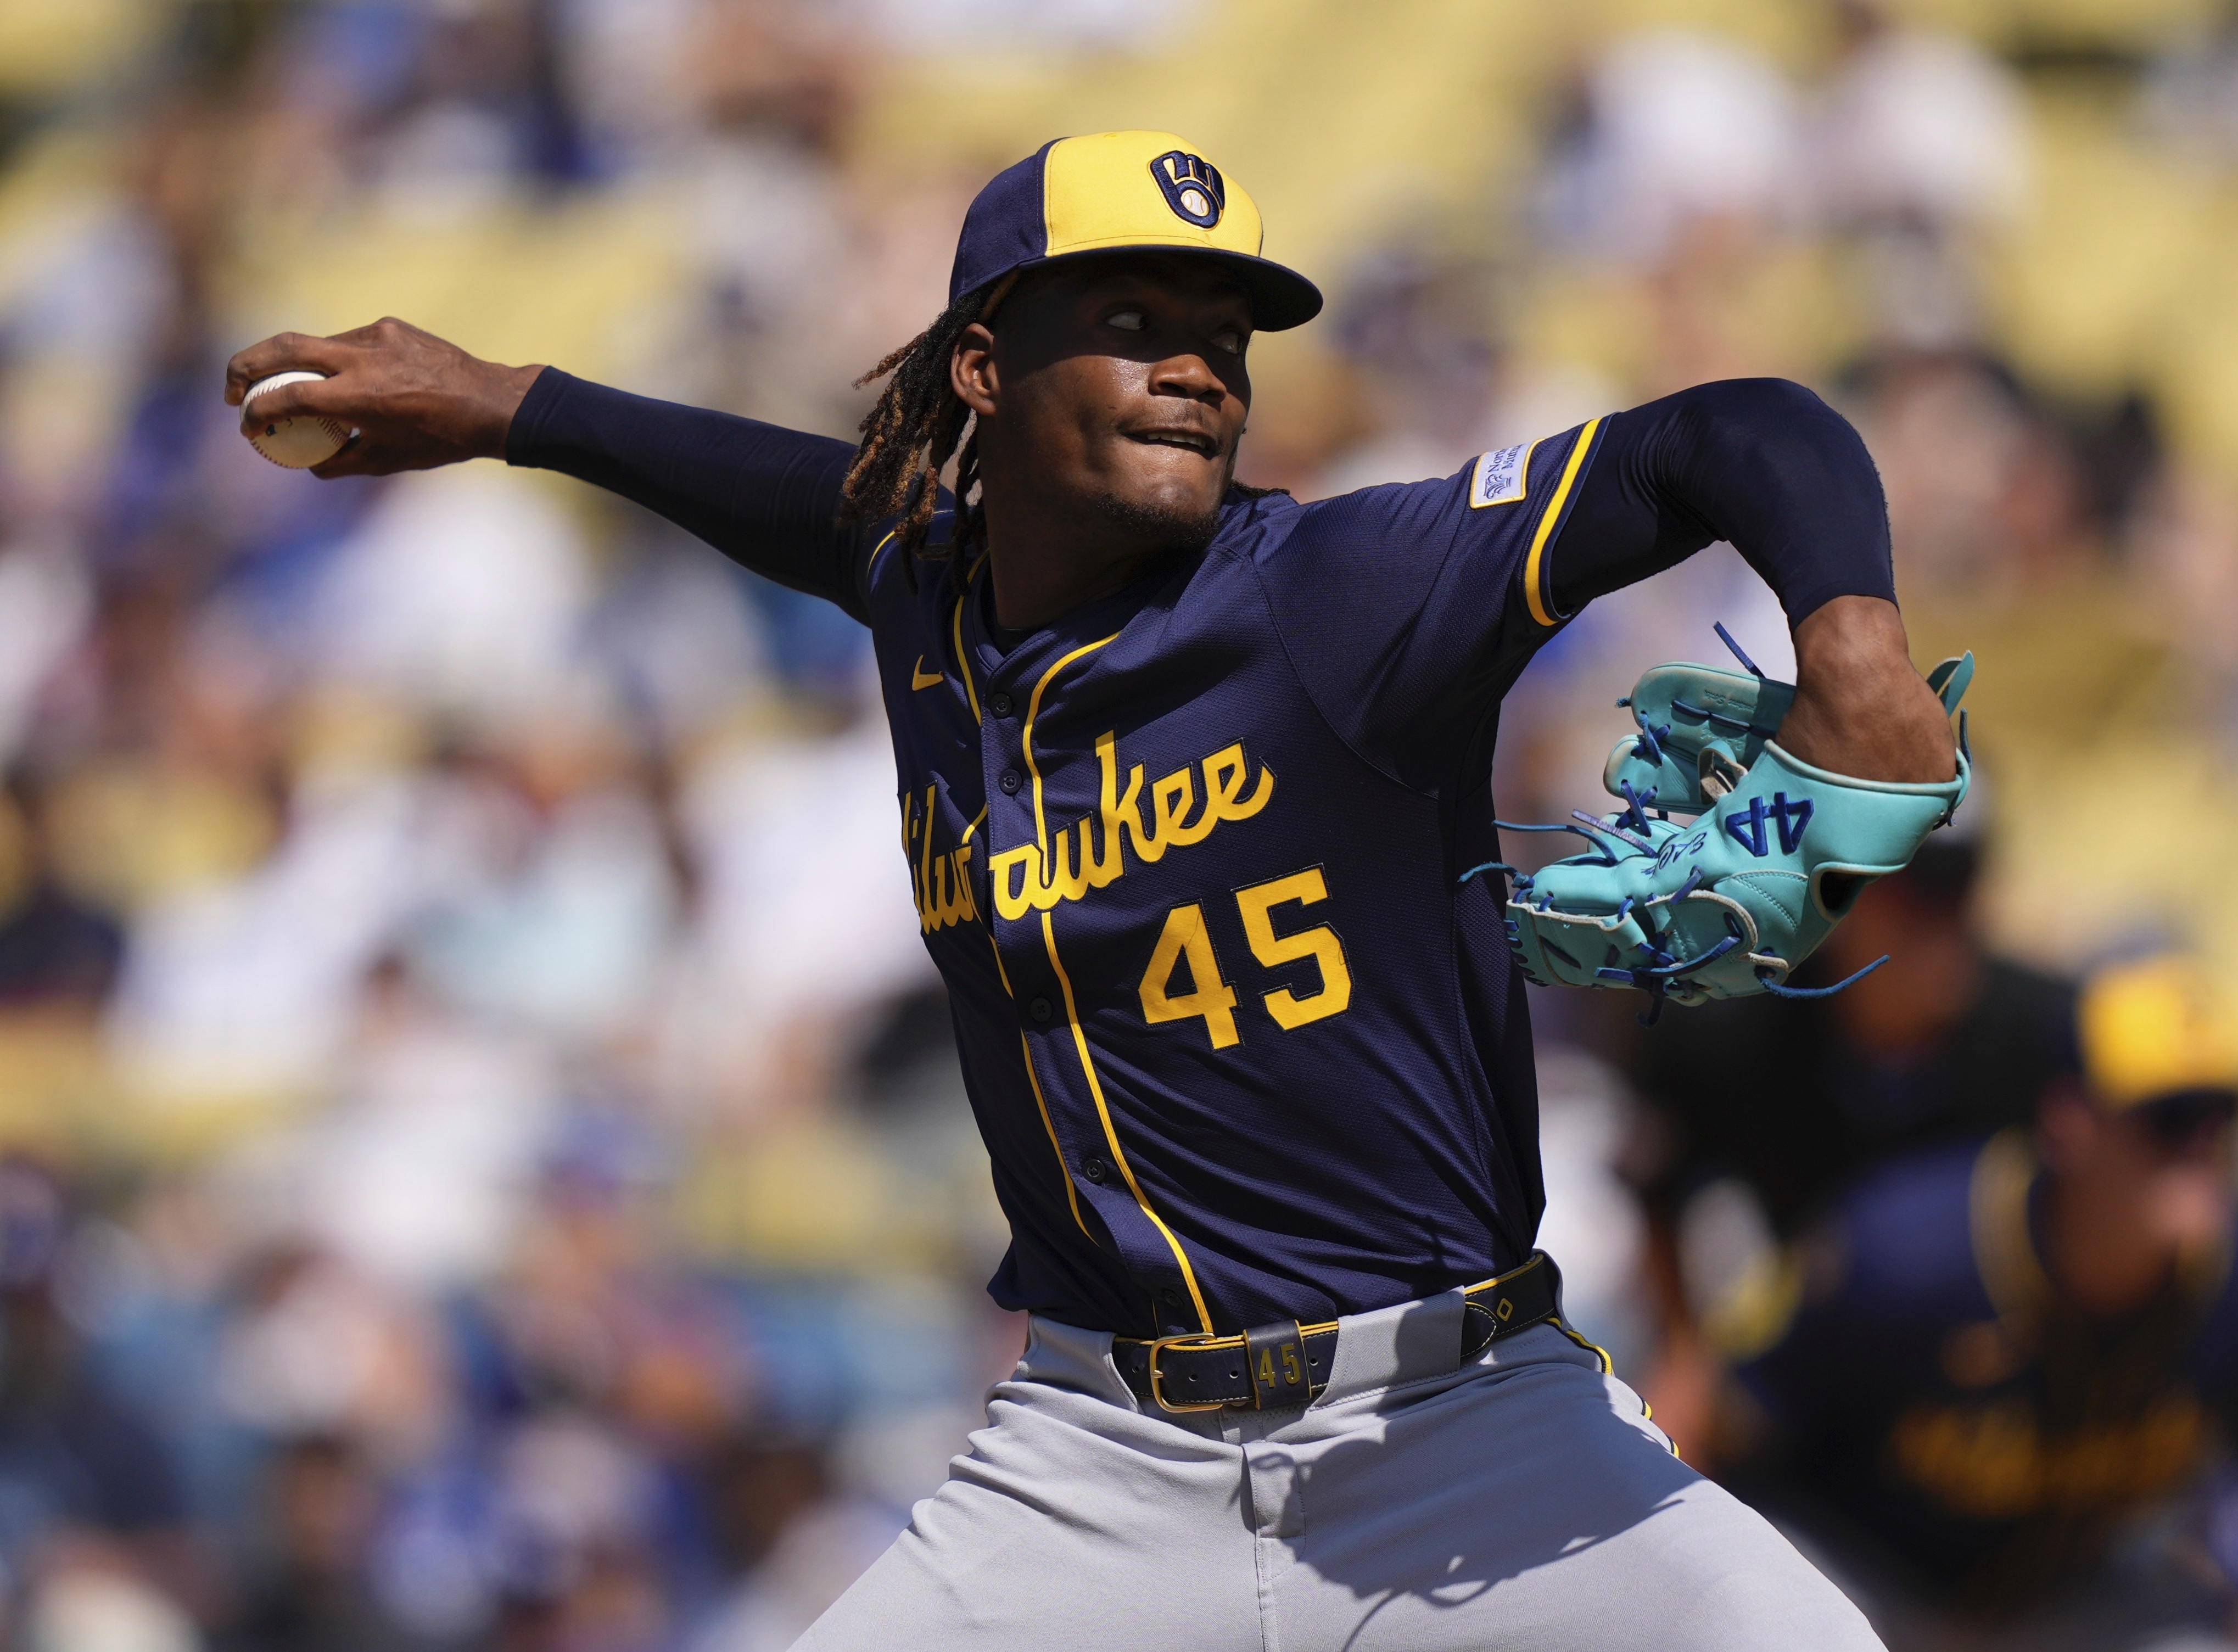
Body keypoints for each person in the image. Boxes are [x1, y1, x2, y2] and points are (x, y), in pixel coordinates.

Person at [225, 130, 1960, 1649]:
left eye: (1224, 341)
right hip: (1096, 1463)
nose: (1197, 371)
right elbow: (798, 499)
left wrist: (1853, 639)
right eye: (1134, 324)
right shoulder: (927, 590)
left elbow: (1728, 432)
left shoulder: (1343, 593)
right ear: (984, 369)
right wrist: (513, 405)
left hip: (1462, 1425)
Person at [1707, 955, 2238, 1652]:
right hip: (1862, 1582)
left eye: (2224, 1120)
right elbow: (1718, 1429)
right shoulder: (1905, 1252)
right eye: (2172, 1119)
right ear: (2070, 1121)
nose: (2201, 1150)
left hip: (2056, 1611)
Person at [1630, 793, 2078, 1458]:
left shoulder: (2048, 1042)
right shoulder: (1728, 1032)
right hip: (1803, 1344)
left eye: (1960, 886)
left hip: (1990, 1369)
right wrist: (1683, 1347)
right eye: (1915, 889)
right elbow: (1660, 1195)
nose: (1941, 919)